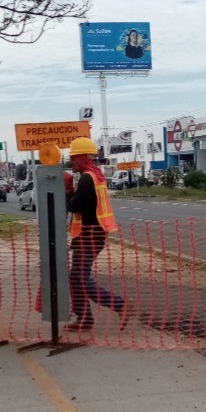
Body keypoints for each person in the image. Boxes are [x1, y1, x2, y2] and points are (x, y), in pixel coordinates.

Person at [65, 137, 131, 331]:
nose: (72, 162)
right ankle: (84, 319)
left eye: (75, 158)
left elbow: (73, 206)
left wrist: (67, 190)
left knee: (79, 277)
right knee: (76, 277)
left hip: (89, 235)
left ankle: (120, 305)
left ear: (84, 158)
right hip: (89, 234)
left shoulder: (87, 178)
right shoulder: (94, 175)